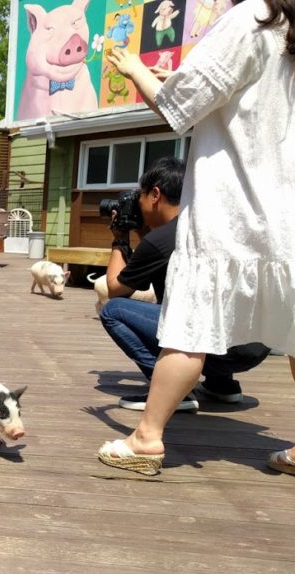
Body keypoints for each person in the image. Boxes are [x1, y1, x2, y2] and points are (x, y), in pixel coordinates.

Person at [98, 0, 294, 475]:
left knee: (191, 330)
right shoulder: (288, 29)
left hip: (234, 216)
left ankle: (147, 438)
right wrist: (174, 78)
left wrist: (132, 67)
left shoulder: (253, 16)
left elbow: (175, 108)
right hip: (286, 216)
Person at [99, 156, 270, 412]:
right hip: (255, 346)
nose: (139, 204)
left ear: (155, 194)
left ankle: (171, 391)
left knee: (114, 311)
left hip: (212, 345)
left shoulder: (159, 240)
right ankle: (221, 386)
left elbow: (115, 289)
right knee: (212, 303)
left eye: (141, 196)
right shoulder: (213, 225)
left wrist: (120, 237)